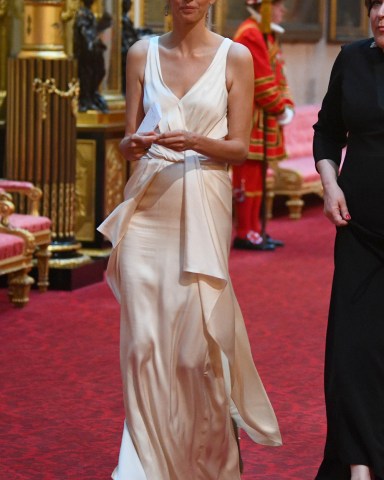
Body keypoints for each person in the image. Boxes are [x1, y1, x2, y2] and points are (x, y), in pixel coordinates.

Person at [97, 0, 282, 478]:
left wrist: (195, 142)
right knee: (141, 345)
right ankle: (142, 465)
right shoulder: (141, 53)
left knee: (191, 354)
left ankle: (206, 462)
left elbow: (239, 148)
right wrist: (133, 145)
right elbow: (125, 145)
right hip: (147, 208)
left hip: (203, 202)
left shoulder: (235, 56)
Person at [313, 1, 384, 479]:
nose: (381, 12)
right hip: (358, 224)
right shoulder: (352, 58)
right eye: (375, 3)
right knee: (350, 348)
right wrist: (330, 183)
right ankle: (358, 465)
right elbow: (326, 132)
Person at [232, 0, 294, 251]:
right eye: (278, 5)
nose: (283, 10)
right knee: (248, 177)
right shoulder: (250, 33)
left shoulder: (266, 34)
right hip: (251, 118)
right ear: (265, 7)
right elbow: (260, 81)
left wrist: (286, 103)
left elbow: (279, 75)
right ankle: (245, 231)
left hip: (265, 119)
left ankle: (255, 229)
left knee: (258, 176)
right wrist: (280, 107)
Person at [73, 0, 111, 112]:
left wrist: (101, 26)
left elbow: (92, 31)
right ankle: (86, 98)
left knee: (99, 71)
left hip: (93, 51)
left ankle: (92, 95)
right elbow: (84, 33)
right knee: (87, 75)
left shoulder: (89, 13)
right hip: (86, 53)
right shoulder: (82, 14)